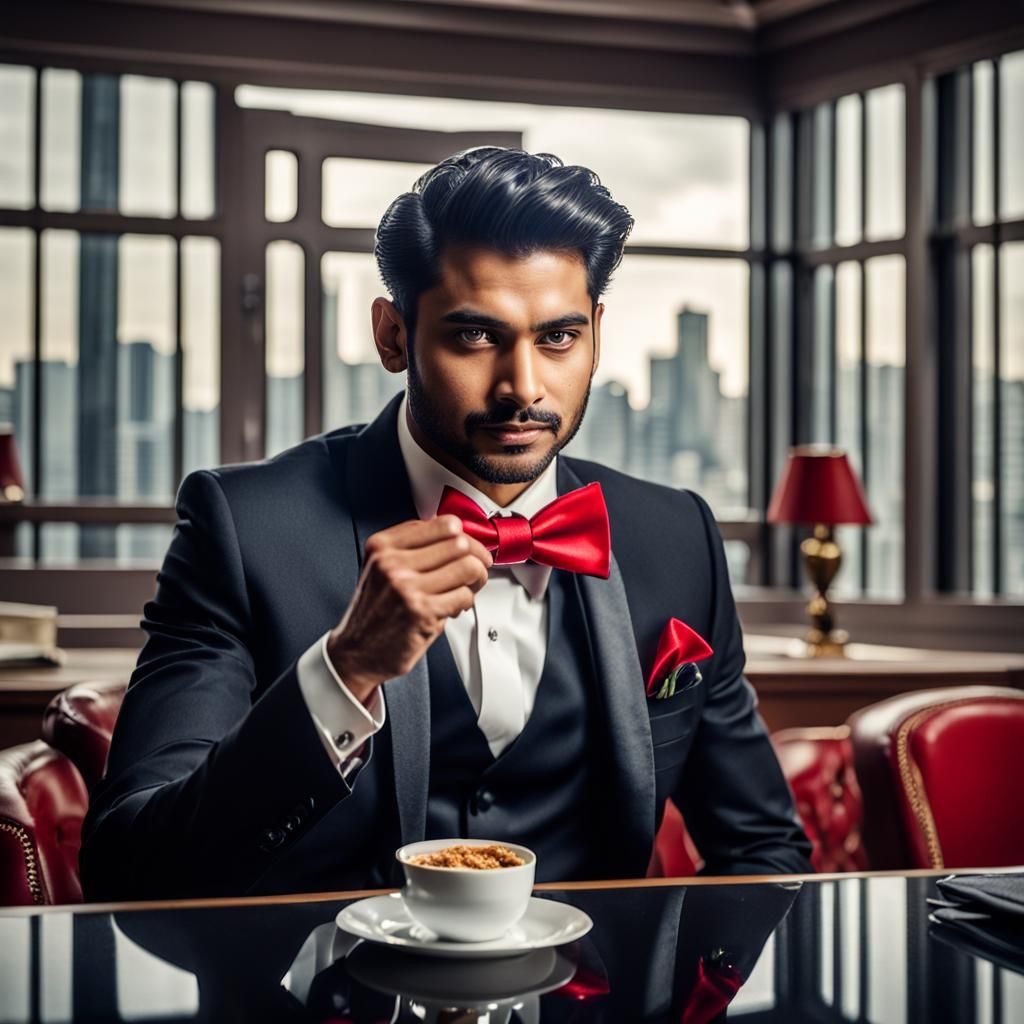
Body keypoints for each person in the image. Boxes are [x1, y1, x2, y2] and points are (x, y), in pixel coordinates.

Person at [80, 147, 812, 900]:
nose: (522, 388)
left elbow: (764, 850)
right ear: (393, 336)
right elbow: (128, 866)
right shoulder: (245, 530)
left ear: (596, 330)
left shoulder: (676, 537)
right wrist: (343, 672)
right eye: (475, 336)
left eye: (557, 337)